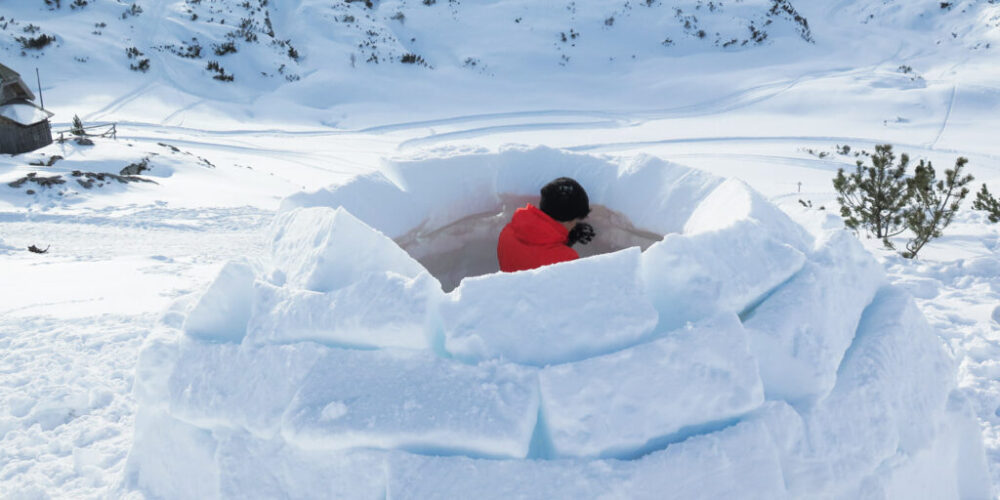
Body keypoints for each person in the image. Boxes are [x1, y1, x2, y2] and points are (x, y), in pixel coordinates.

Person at [497, 177, 596, 272]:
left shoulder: (507, 233)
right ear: (568, 221)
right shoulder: (566, 259)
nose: (575, 225)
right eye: (575, 220)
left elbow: (534, 253)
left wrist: (565, 238)